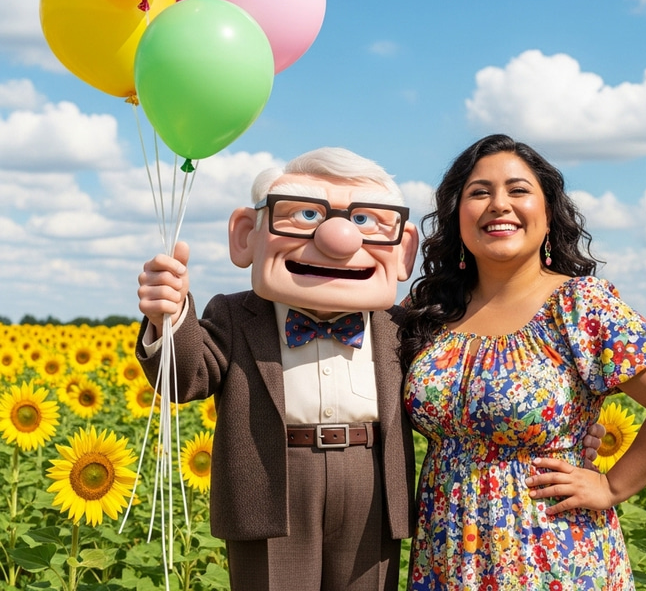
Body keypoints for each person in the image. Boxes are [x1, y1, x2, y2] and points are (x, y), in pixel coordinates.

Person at [136, 145, 604, 591]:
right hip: (271, 482)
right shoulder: (236, 315)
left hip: (372, 484)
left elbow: (459, 390)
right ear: (245, 235)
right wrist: (170, 316)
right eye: (305, 215)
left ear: (402, 250)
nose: (339, 238)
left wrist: (574, 422)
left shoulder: (402, 328)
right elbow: (185, 378)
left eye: (364, 221)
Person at [398, 134, 646, 591]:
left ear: (548, 216)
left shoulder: (579, 304)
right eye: (479, 192)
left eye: (518, 190)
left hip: (549, 547)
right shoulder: (429, 311)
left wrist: (611, 486)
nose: (498, 204)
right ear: (456, 215)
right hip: (447, 549)